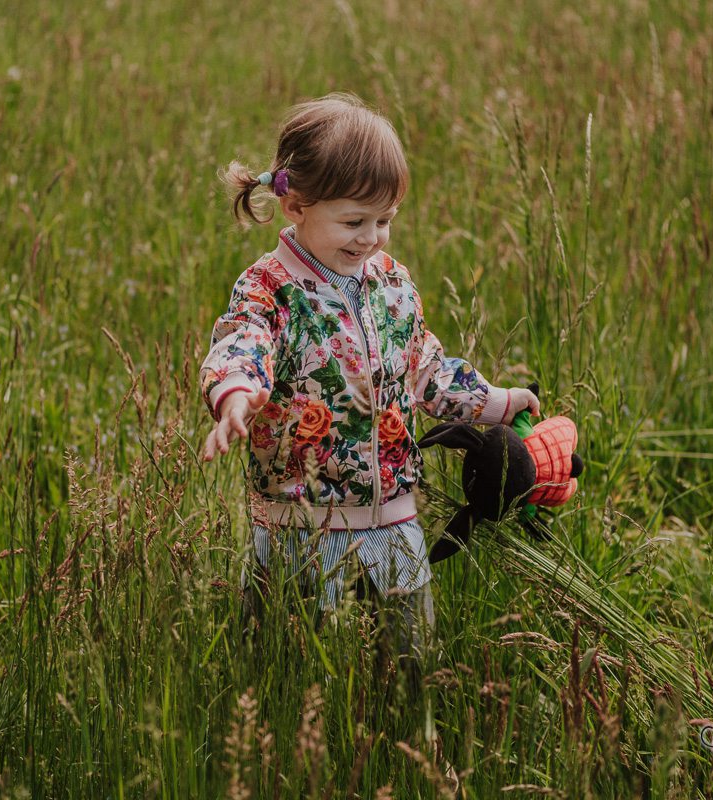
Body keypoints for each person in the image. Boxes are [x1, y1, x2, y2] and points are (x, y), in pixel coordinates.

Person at [199, 92, 538, 697]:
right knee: (291, 667)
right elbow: (243, 342)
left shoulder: (391, 283)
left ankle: (402, 735)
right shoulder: (272, 289)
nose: (371, 238)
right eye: (354, 222)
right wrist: (236, 398)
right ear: (296, 204)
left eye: (385, 220)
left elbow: (426, 367)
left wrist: (495, 401)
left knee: (410, 665)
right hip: (300, 520)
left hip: (393, 517)